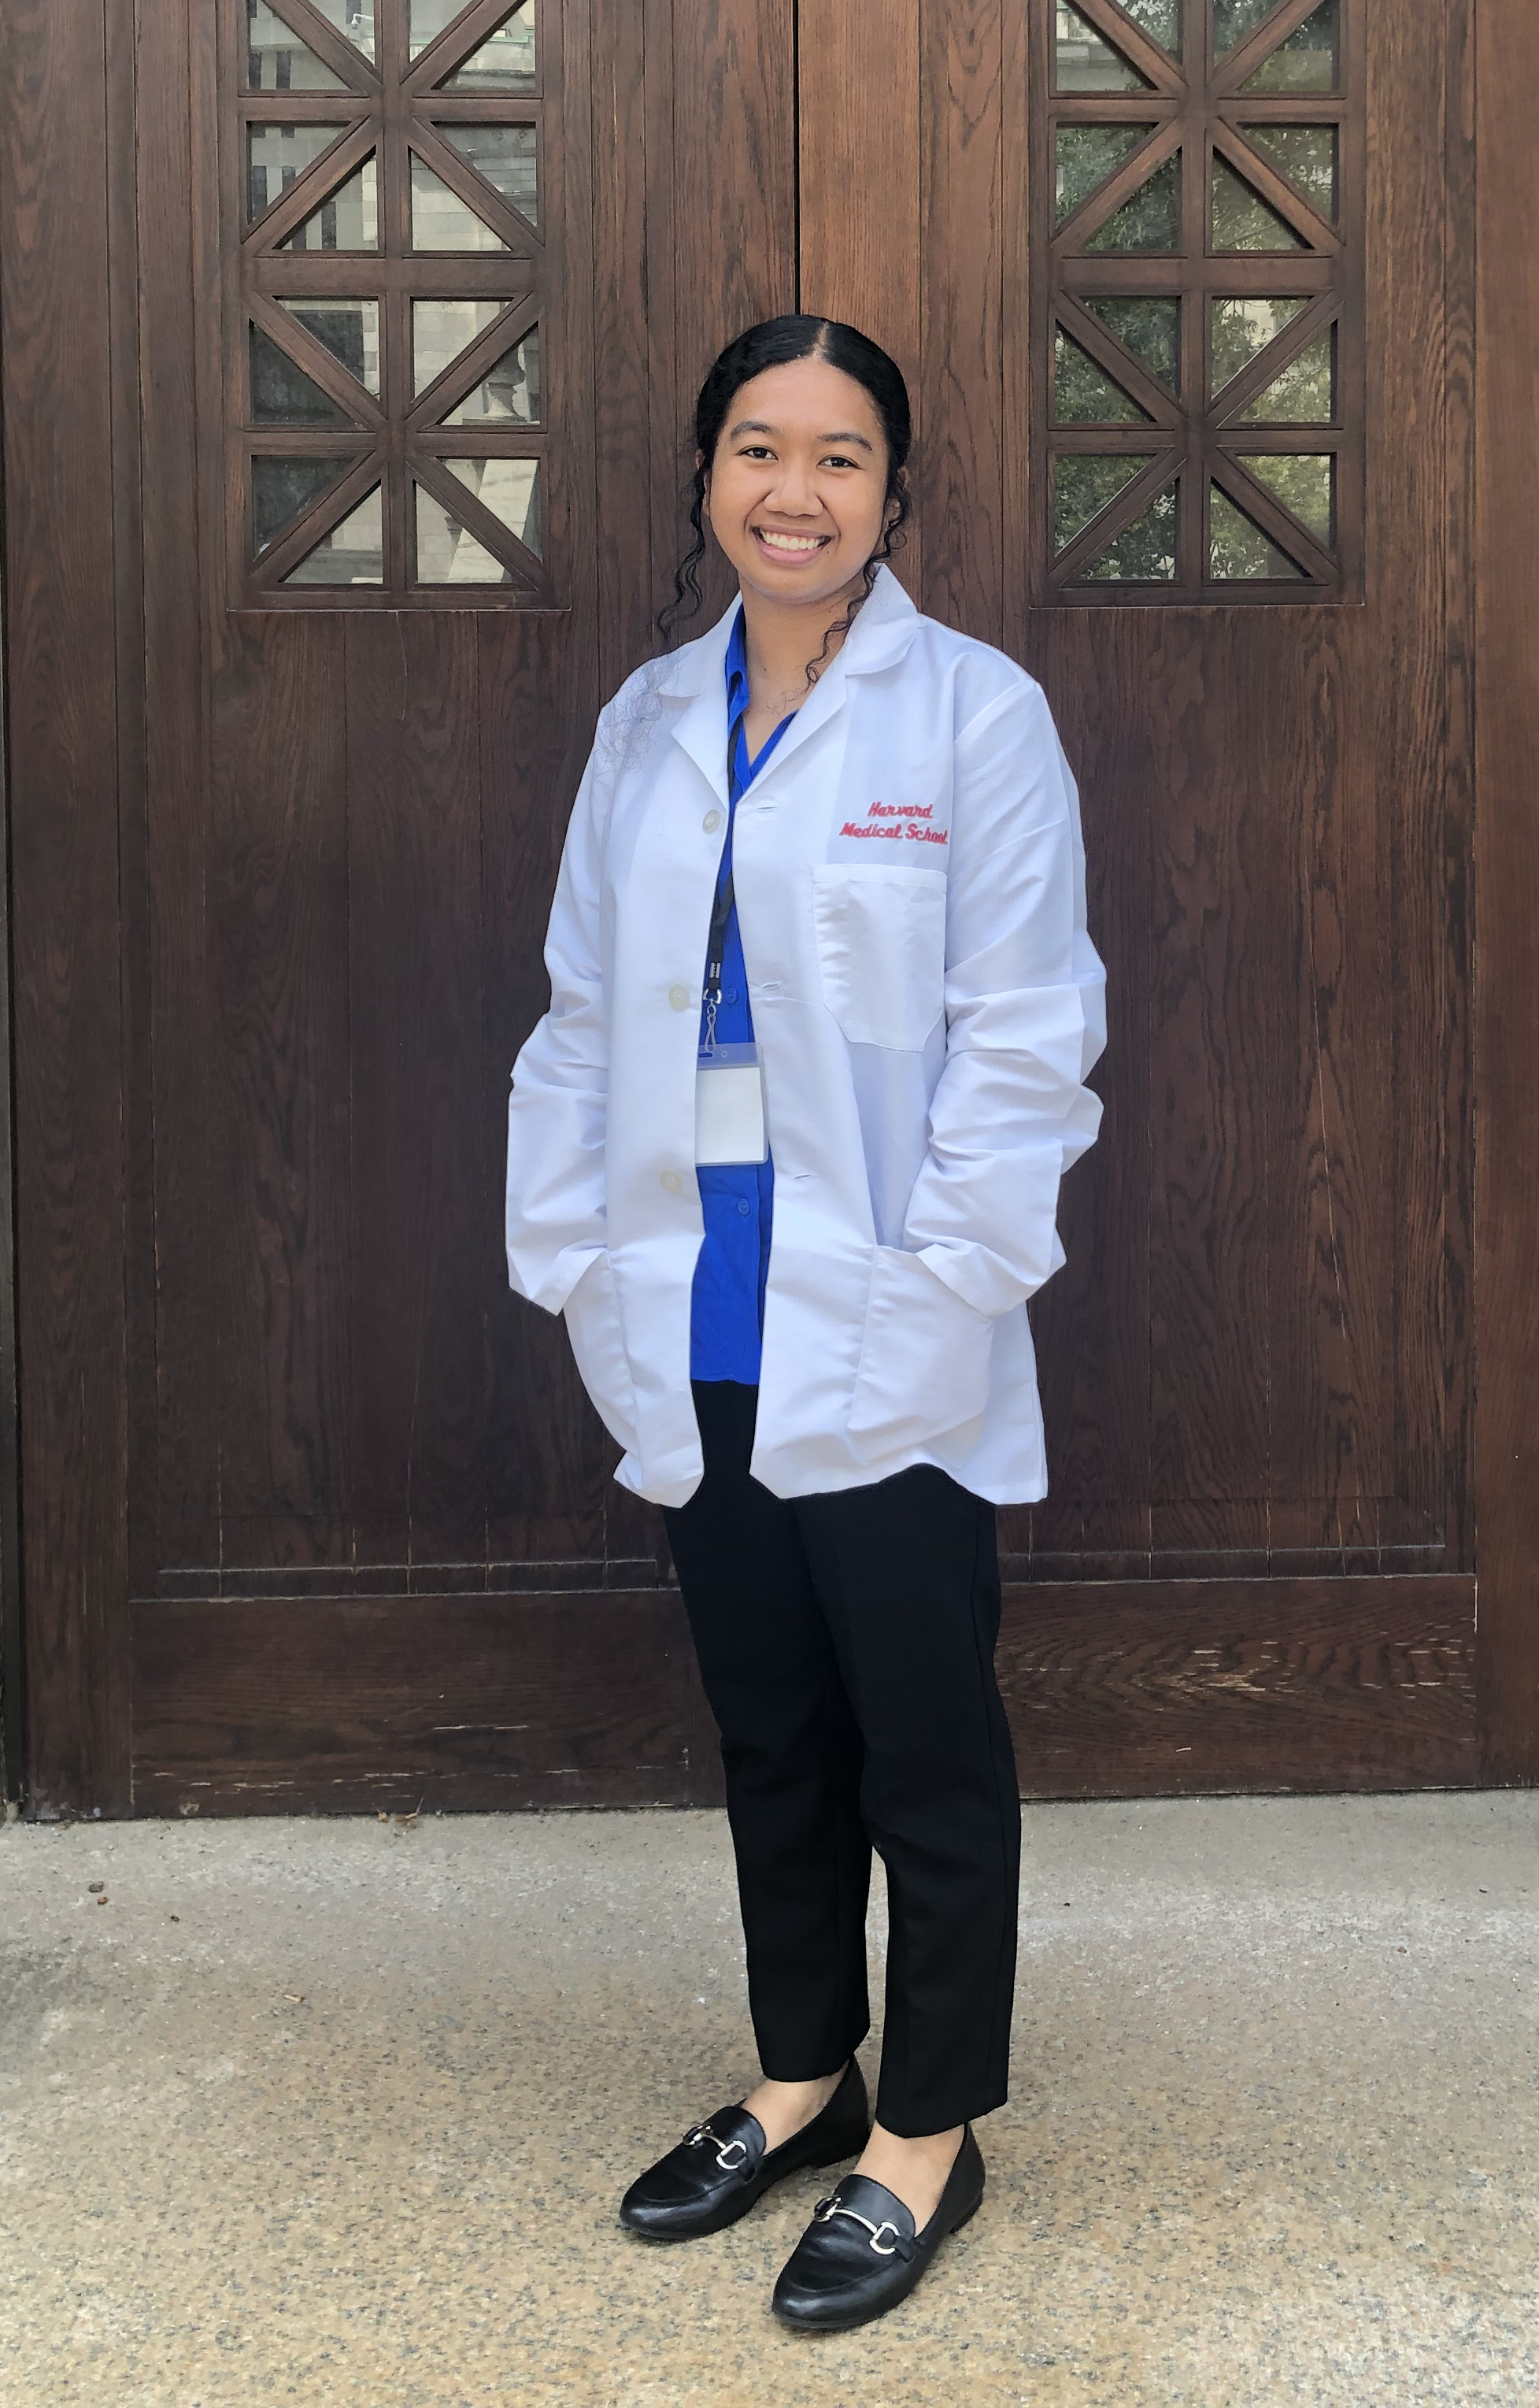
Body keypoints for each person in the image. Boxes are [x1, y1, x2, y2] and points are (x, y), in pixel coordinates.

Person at [505, 314, 1104, 2334]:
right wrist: (578, 1254)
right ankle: (797, 2073)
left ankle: (927, 2131)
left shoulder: (978, 719)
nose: (795, 489)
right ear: (703, 480)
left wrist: (951, 1282)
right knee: (768, 1719)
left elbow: (1031, 1035)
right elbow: (588, 1014)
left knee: (924, 1737)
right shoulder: (646, 723)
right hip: (699, 1301)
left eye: (840, 456)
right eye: (758, 448)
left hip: (895, 1310)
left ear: (894, 494)